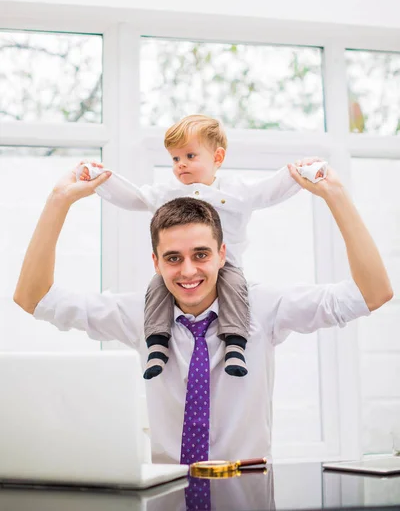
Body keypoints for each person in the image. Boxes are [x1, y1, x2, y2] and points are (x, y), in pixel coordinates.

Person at [14, 159, 392, 464]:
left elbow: (372, 293)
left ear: (222, 254)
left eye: (201, 255)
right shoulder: (136, 313)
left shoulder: (263, 306)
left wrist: (336, 196)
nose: (189, 271)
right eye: (173, 258)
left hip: (248, 492)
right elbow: (34, 298)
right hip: (167, 494)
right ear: (156, 262)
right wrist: (58, 200)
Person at [75, 114, 326, 380]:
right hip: (182, 269)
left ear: (217, 158)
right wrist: (101, 180)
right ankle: (158, 341)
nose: (180, 165)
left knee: (235, 288)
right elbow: (135, 196)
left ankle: (235, 344)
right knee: (157, 287)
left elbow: (269, 191)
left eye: (190, 156)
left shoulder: (236, 191)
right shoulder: (167, 193)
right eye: (175, 159)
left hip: (225, 266)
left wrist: (299, 173)